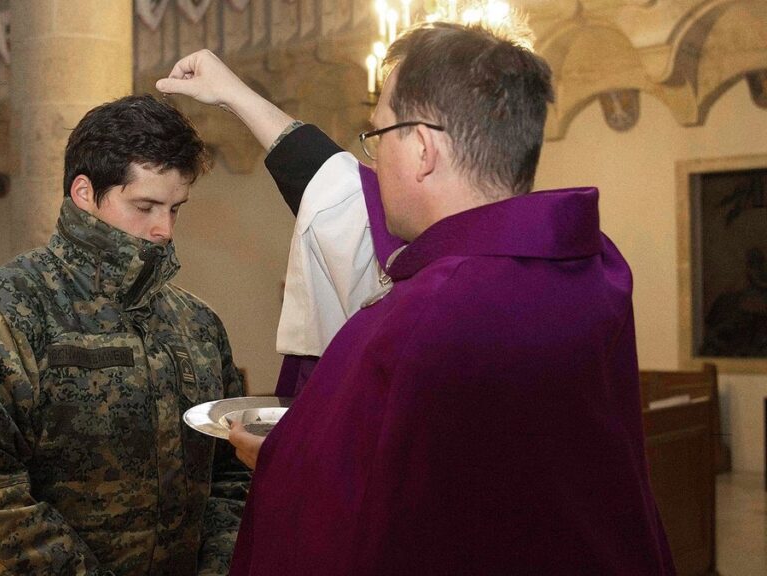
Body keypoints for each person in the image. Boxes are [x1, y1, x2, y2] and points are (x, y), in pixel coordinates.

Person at [158, 23, 676, 575]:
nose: (373, 163)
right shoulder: (592, 266)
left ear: (423, 150)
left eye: (379, 135)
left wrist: (279, 459)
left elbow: (358, 516)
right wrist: (238, 95)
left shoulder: (421, 320)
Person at [0, 94, 250, 576]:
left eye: (175, 208)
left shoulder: (197, 324)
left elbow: (230, 474)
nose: (163, 229)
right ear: (84, 193)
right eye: (145, 206)